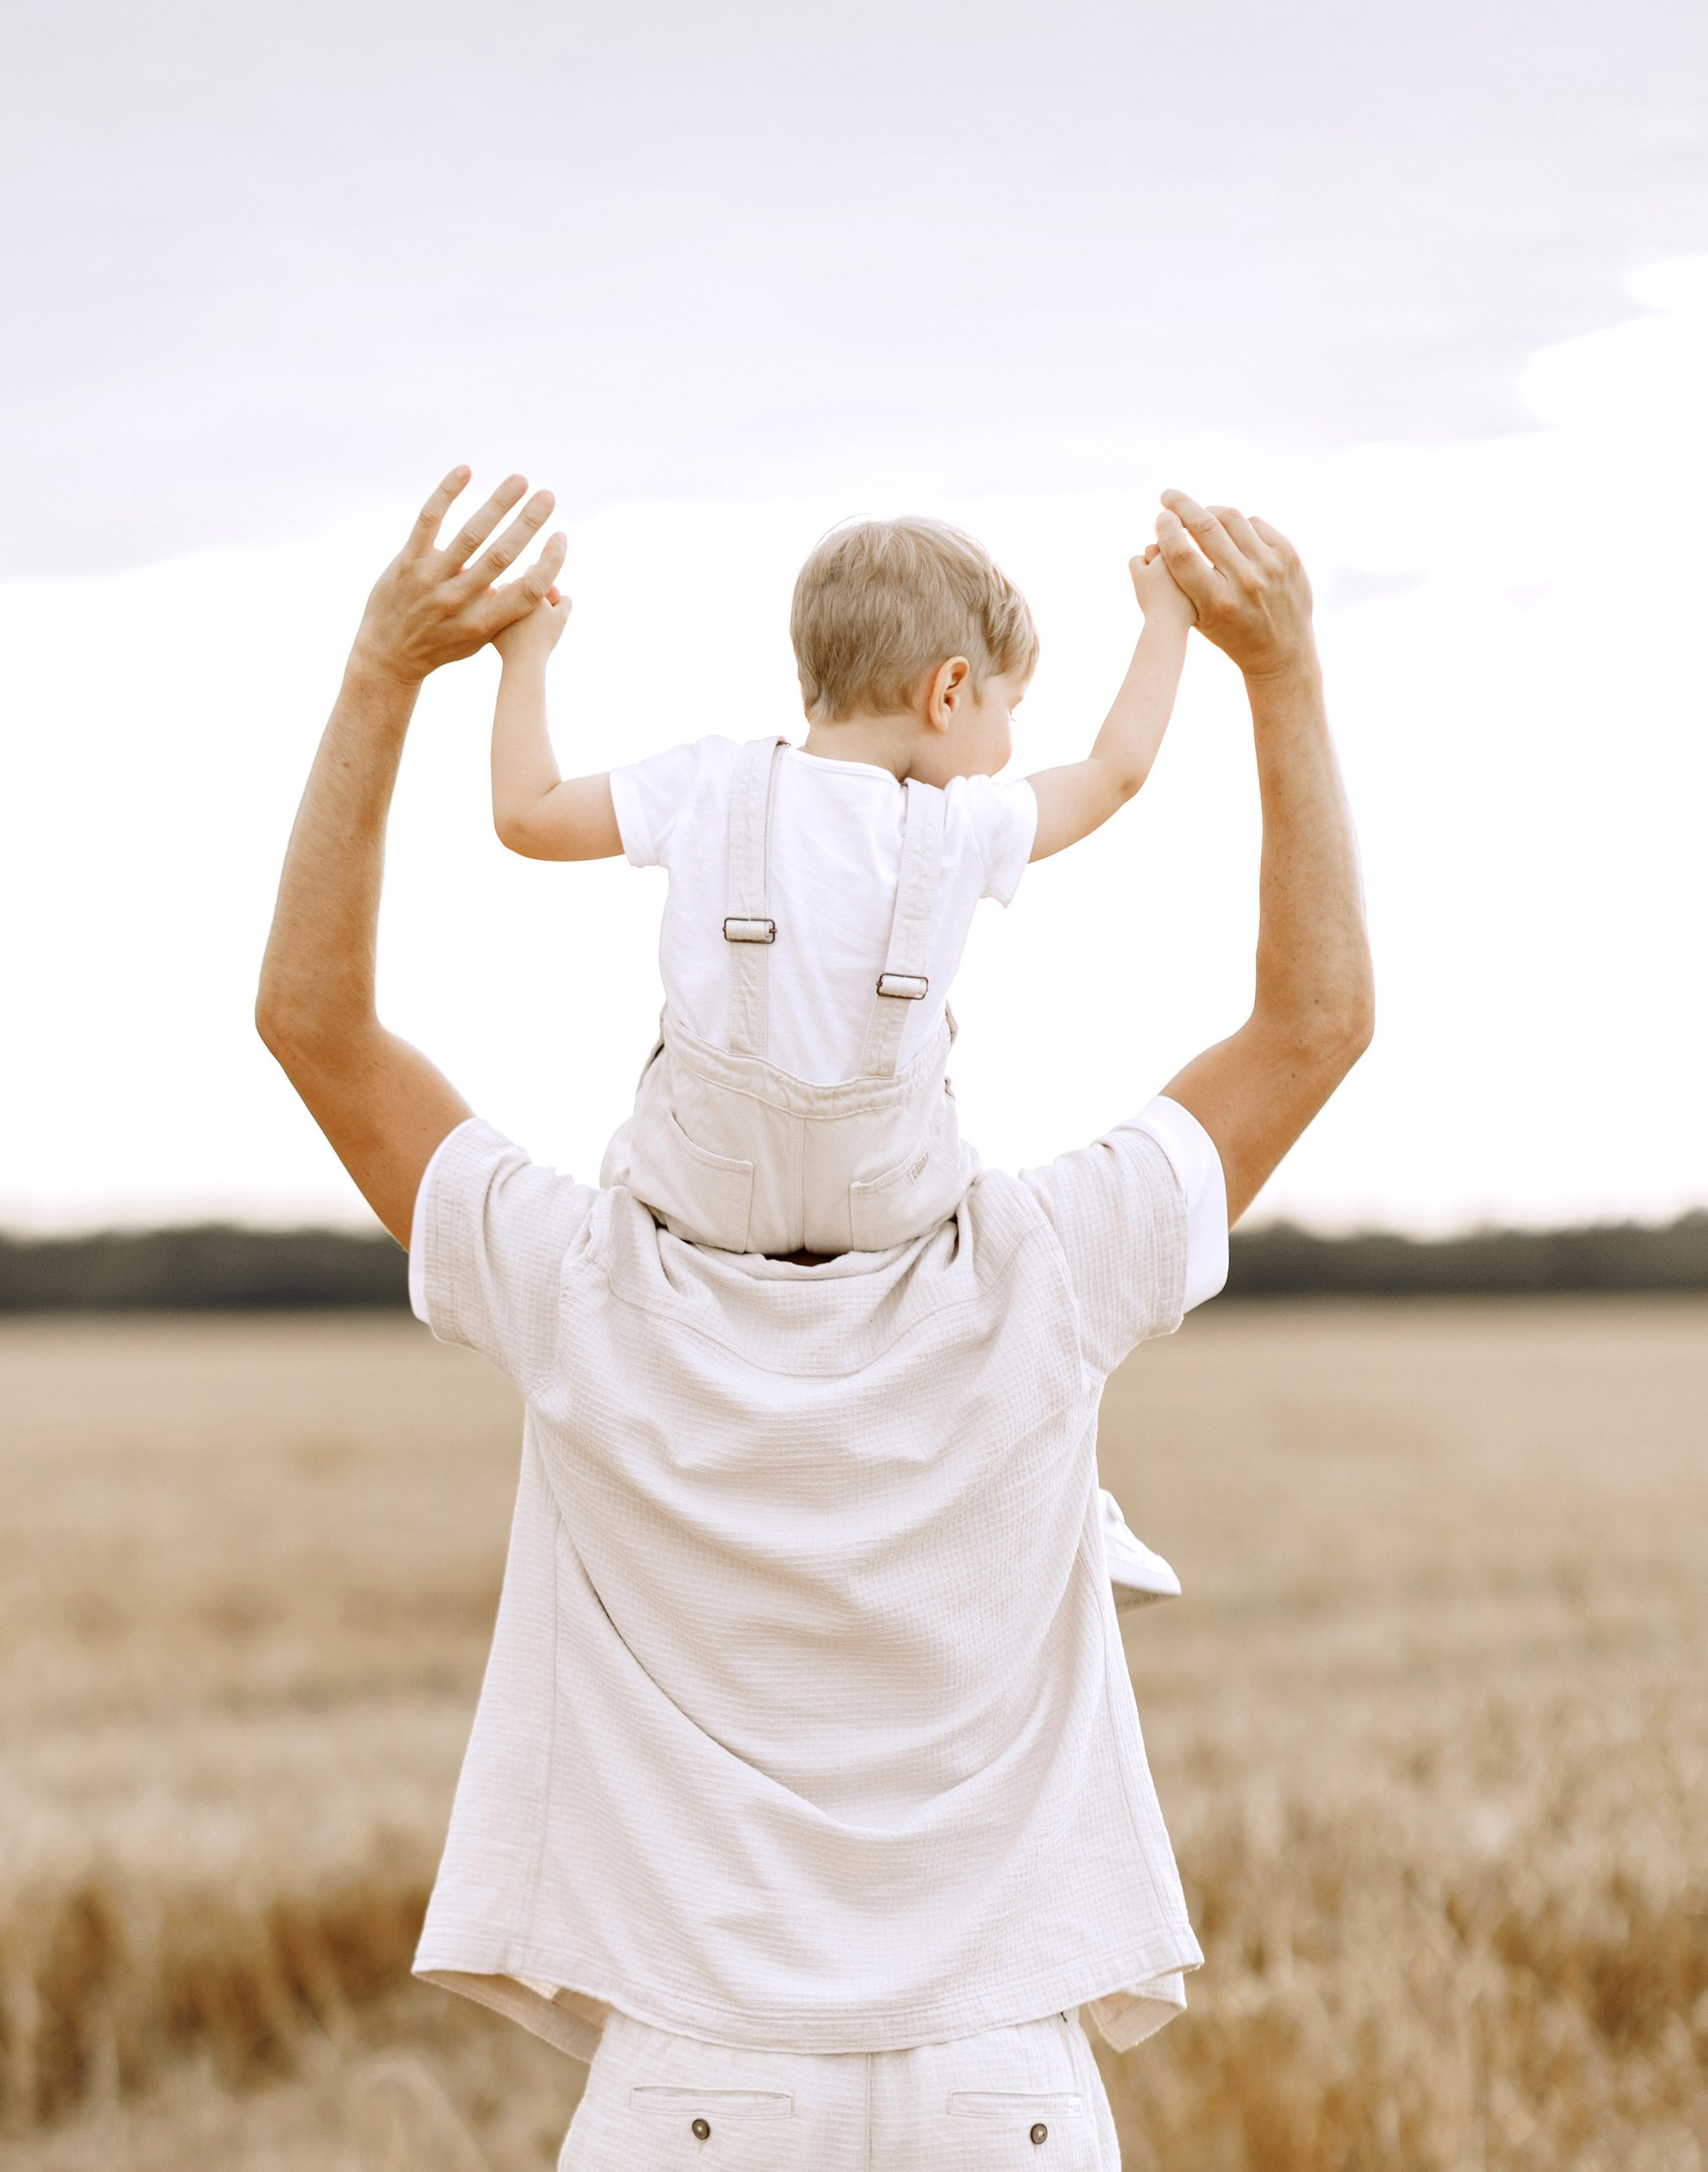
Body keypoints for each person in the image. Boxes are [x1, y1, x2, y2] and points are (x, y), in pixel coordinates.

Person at [256, 469, 1371, 2172]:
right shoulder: (1045, 1265)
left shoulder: (589, 1281)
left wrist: (401, 665)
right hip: (1010, 2092)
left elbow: (313, 1016)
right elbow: (1316, 1019)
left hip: (713, 2096)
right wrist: (1280, 669)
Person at [488, 511, 1190, 1611]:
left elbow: (524, 815)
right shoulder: (963, 827)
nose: (1008, 741)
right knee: (1009, 1282)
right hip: (890, 1207)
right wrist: (1167, 621)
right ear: (949, 692)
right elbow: (1116, 771)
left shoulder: (706, 783)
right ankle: (1061, 1506)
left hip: (700, 1197)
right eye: (1011, 707)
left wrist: (523, 657)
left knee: (620, 1254)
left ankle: (644, 1504)